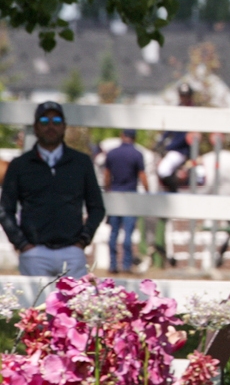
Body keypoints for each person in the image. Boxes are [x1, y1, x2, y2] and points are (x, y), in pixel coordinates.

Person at [0, 102, 105, 277]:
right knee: (33, 304)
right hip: (34, 253)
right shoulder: (20, 165)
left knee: (75, 304)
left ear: (64, 126)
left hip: (72, 251)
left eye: (56, 121)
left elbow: (97, 207)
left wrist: (83, 241)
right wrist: (22, 244)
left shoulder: (81, 163)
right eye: (44, 120)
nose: (50, 126)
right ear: (35, 127)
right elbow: (5, 209)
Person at [103, 128, 147, 274]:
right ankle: (127, 265)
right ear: (134, 137)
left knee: (113, 232)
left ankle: (113, 264)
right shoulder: (137, 154)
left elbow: (107, 175)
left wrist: (108, 192)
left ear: (122, 136)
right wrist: (148, 194)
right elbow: (142, 175)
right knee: (128, 233)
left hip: (115, 194)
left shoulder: (112, 153)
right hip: (130, 195)